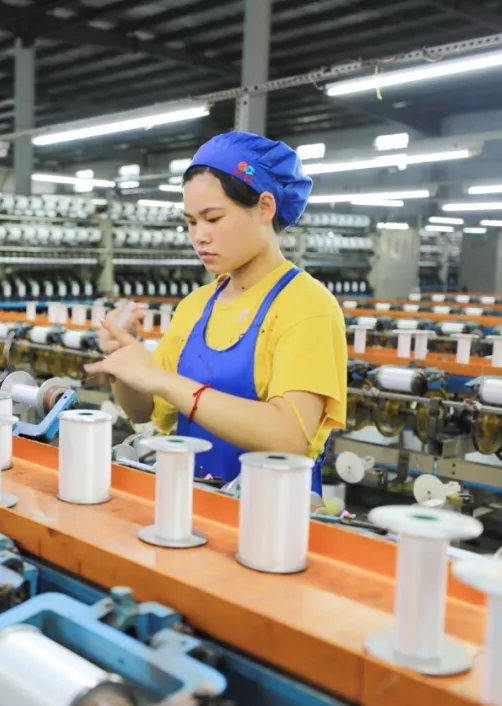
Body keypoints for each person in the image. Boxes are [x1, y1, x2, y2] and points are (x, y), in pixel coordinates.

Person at [85, 131, 347, 493]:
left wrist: (164, 380)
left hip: (272, 519)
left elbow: (288, 437)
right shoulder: (195, 306)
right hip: (190, 505)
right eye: (191, 222)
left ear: (265, 208)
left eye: (213, 218)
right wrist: (124, 359)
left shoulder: (307, 305)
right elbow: (144, 412)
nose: (199, 236)